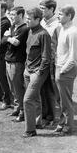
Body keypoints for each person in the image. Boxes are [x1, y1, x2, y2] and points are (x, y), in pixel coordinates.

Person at [23, 7, 51, 138]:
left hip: (36, 72)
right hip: (28, 70)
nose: (26, 20)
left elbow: (46, 58)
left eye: (29, 19)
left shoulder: (43, 34)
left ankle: (30, 130)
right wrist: (26, 68)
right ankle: (37, 123)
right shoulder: (30, 30)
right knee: (36, 98)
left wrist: (39, 73)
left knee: (27, 100)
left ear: (38, 20)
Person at [54, 5, 77, 135]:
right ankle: (61, 123)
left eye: (60, 14)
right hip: (59, 67)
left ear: (69, 16)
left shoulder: (73, 32)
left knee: (66, 101)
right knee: (60, 100)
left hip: (66, 71)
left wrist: (62, 71)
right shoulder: (62, 29)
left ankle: (68, 127)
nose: (58, 16)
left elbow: (73, 57)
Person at [5, 6, 29, 122]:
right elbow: (4, 40)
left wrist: (8, 37)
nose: (11, 17)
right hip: (9, 60)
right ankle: (17, 108)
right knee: (12, 87)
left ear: (20, 15)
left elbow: (16, 42)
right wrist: (9, 38)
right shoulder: (13, 27)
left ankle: (23, 112)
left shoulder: (24, 29)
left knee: (18, 88)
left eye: (13, 15)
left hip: (17, 62)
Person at [39, 0, 60, 126]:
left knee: (52, 91)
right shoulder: (42, 21)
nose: (40, 11)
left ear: (51, 9)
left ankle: (54, 118)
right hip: (41, 60)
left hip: (52, 62)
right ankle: (46, 115)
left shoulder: (57, 26)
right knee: (43, 89)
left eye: (43, 8)